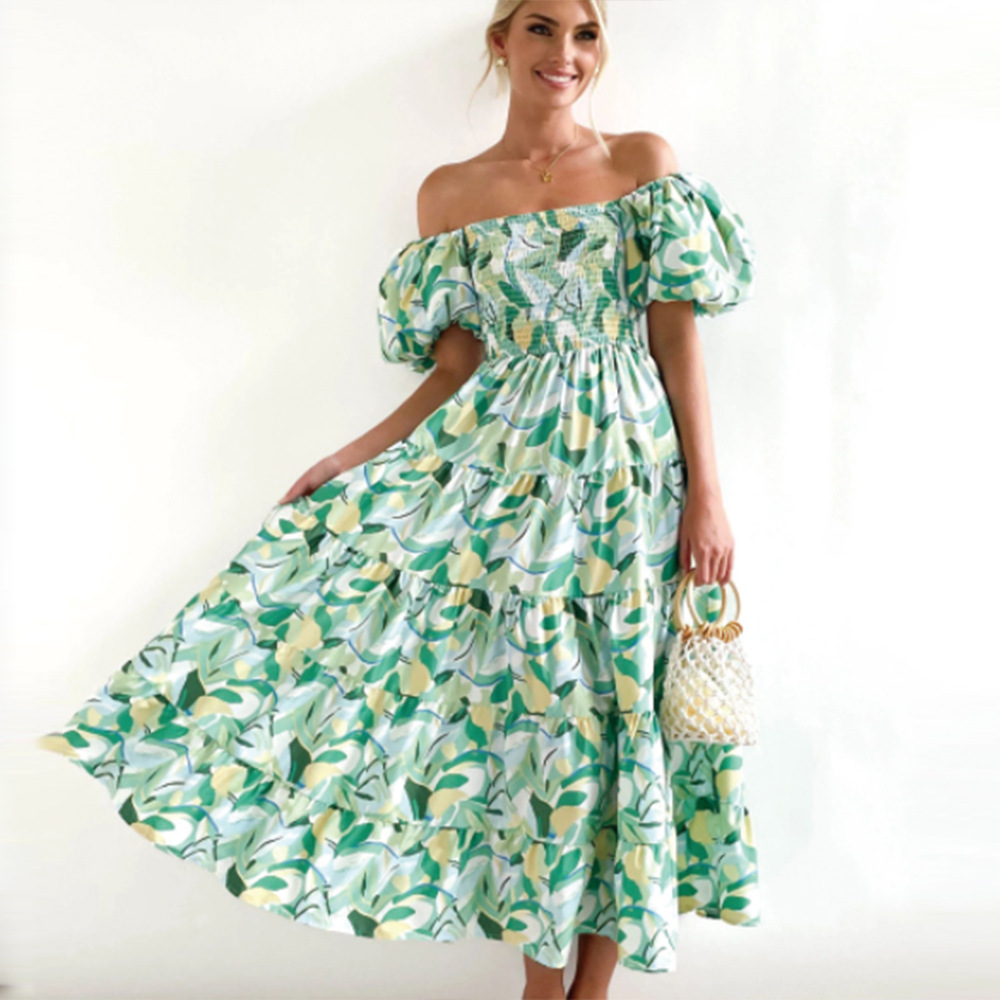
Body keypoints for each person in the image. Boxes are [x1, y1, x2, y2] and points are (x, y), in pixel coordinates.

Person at [36, 2, 761, 998]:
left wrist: (708, 496)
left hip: (631, 479)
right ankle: (543, 986)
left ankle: (583, 993)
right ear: (500, 41)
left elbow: (676, 337)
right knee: (547, 726)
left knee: (624, 712)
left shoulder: (642, 162)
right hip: (503, 486)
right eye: (541, 28)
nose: (565, 53)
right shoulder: (451, 193)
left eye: (586, 33)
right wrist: (353, 455)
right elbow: (457, 366)